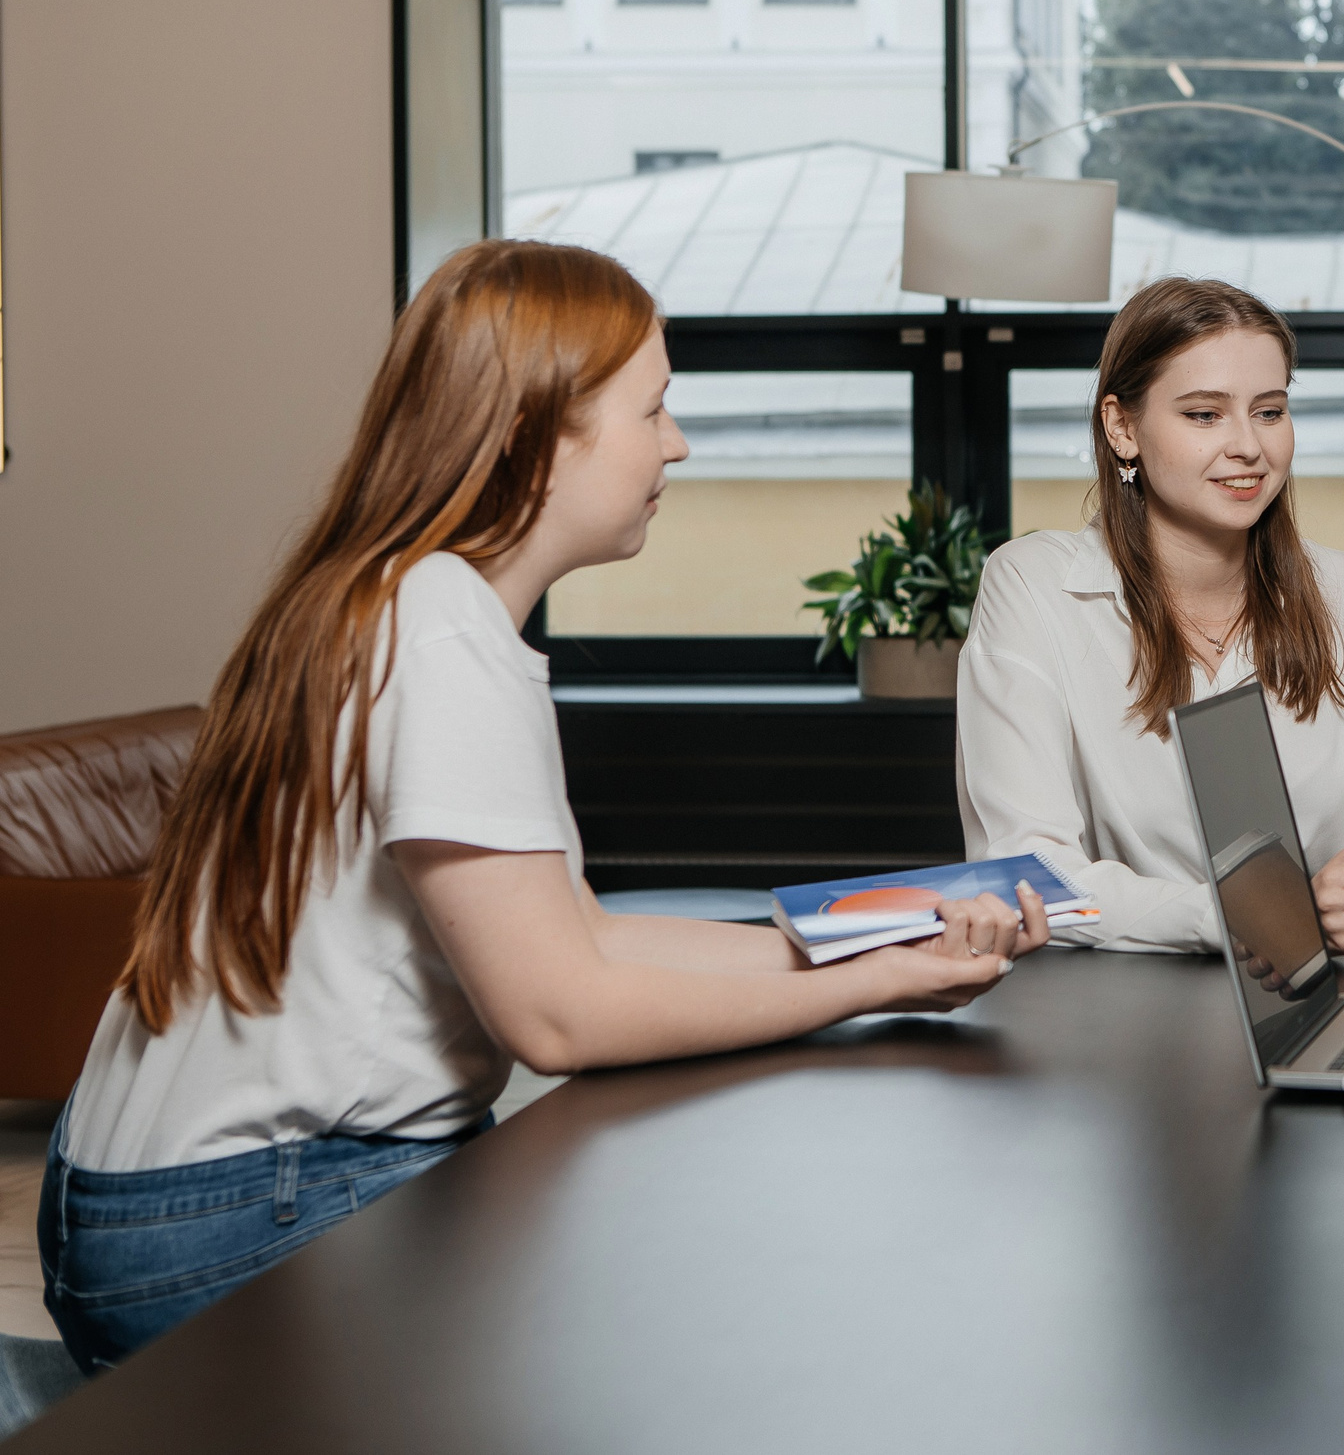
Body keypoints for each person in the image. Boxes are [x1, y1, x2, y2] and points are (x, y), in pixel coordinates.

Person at [42, 241, 1046, 1373]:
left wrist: (859, 943)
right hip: (235, 1218)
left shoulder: (390, 597)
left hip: (141, 1198)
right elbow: (559, 1019)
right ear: (535, 433)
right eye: (653, 410)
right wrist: (869, 986)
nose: (677, 443)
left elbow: (586, 938)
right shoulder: (439, 629)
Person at [958, 276, 1344, 954]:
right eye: (1204, 414)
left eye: (1269, 411)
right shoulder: (1034, 587)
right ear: (1122, 427)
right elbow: (1029, 876)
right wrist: (1257, 914)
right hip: (1115, 1018)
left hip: (1316, 1007)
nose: (1249, 446)